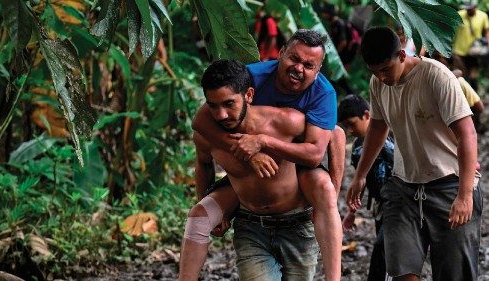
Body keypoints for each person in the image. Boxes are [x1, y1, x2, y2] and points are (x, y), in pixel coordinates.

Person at [180, 30, 344, 281]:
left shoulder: (321, 96)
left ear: (318, 69)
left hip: (294, 166)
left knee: (324, 187)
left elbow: (327, 144)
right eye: (293, 59)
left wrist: (262, 142)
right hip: (247, 182)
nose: (298, 68)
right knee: (199, 215)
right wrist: (247, 153)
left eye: (308, 65)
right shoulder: (250, 77)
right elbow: (201, 121)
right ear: (281, 54)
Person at [346, 26, 482, 281]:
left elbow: (468, 134)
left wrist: (464, 195)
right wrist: (360, 175)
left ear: (401, 55)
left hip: (450, 183)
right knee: (400, 269)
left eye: (386, 70)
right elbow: (377, 126)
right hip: (404, 187)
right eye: (375, 72)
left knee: (455, 273)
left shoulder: (436, 76)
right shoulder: (378, 83)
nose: (382, 78)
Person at [338, 94, 394, 281]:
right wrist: (352, 211)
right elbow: (360, 182)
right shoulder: (357, 148)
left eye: (352, 123)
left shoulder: (391, 135)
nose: (350, 130)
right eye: (346, 126)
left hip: (400, 201)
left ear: (367, 115)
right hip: (381, 204)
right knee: (387, 249)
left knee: (383, 248)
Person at [452, 0, 489, 91]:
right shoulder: (459, 15)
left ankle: (475, 97)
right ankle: (462, 97)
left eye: (470, 8)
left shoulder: (483, 16)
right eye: (467, 8)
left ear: (475, 7)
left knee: (473, 77)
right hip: (459, 51)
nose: (468, 10)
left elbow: (487, 31)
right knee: (461, 75)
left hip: (475, 51)